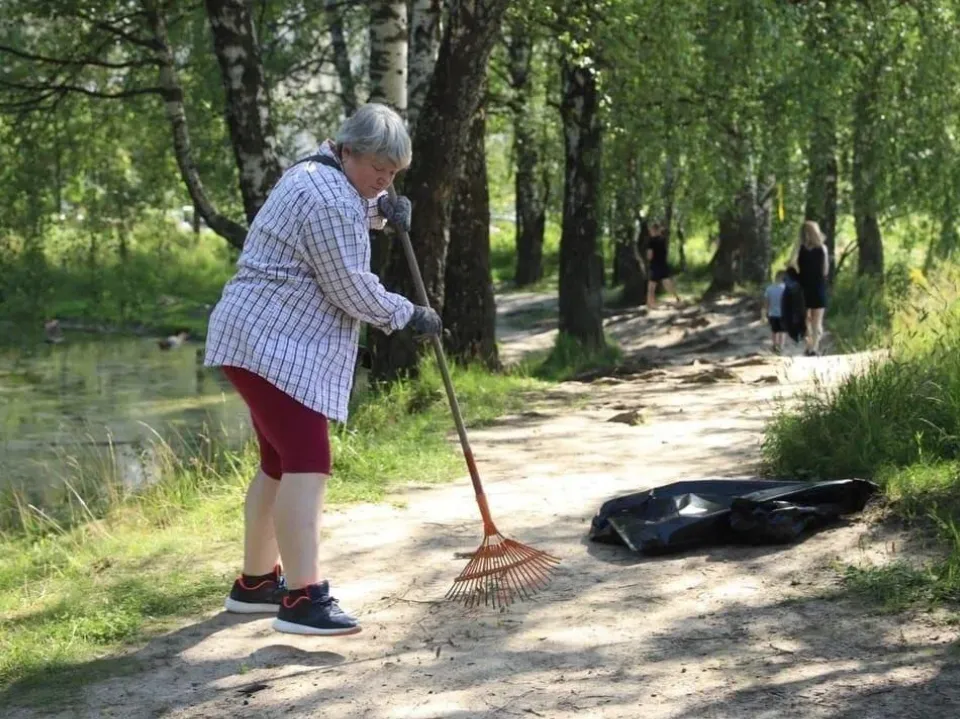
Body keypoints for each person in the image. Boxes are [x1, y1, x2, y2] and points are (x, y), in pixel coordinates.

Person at [203, 103, 441, 636]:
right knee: (308, 460)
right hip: (272, 344)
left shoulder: (312, 174)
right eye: (378, 167)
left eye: (394, 173)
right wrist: (409, 314)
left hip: (252, 337)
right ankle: (302, 599)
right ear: (349, 149)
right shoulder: (330, 198)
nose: (384, 179)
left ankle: (257, 583)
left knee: (280, 463)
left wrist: (382, 212)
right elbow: (349, 286)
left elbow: (348, 216)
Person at [791, 220, 830, 356]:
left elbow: (791, 264)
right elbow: (825, 271)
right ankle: (815, 347)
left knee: (805, 319)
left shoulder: (800, 248)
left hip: (803, 287)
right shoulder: (823, 249)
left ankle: (808, 346)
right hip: (818, 287)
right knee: (817, 321)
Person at [646, 221, 681, 308]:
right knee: (667, 283)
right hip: (663, 265)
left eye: (651, 230)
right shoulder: (663, 240)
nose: (650, 232)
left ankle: (651, 304)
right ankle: (677, 298)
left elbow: (649, 255)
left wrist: (648, 258)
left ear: (654, 230)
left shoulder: (651, 242)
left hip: (655, 266)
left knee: (651, 286)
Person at [763, 270, 786, 354]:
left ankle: (774, 345)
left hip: (772, 313)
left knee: (774, 330)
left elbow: (766, 302)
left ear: (775, 278)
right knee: (782, 331)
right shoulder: (786, 289)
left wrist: (765, 313)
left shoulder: (769, 288)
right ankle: (781, 347)